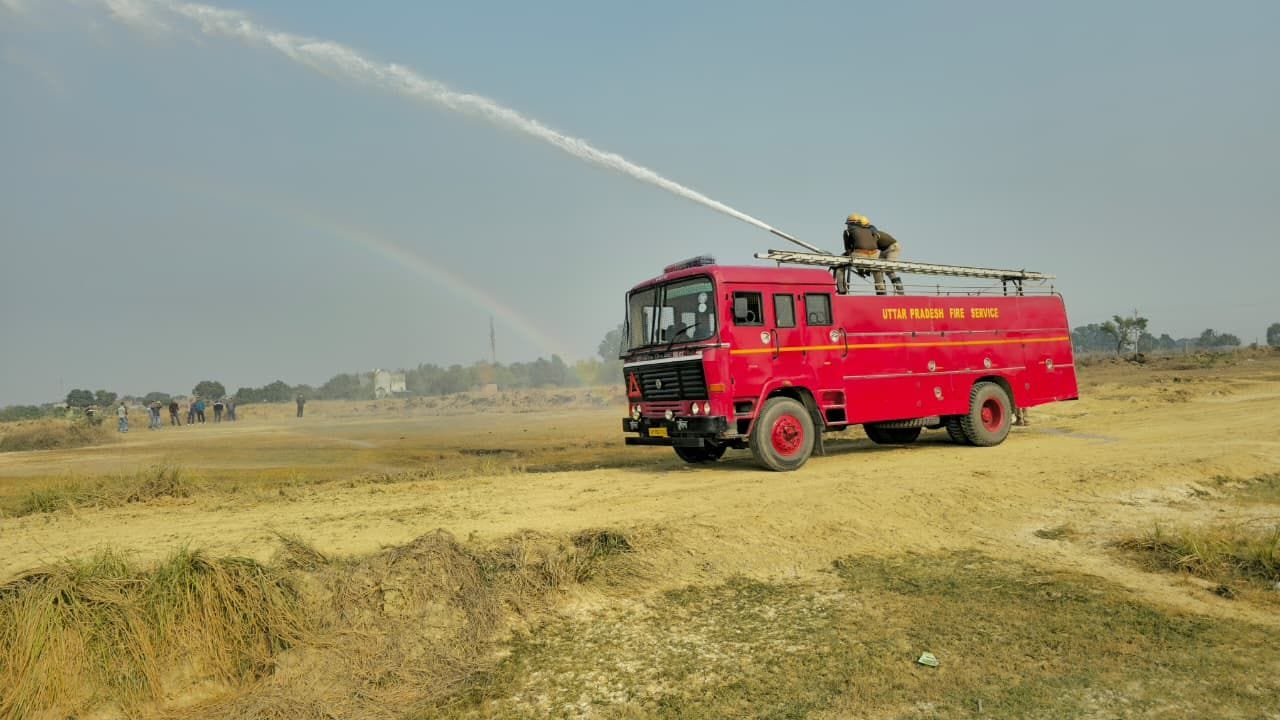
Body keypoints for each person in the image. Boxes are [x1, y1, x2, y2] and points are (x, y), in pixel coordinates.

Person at [841, 213, 904, 295]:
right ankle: (881, 291)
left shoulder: (871, 232)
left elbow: (861, 247)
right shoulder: (871, 230)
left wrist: (862, 268)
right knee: (877, 268)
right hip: (881, 250)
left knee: (888, 269)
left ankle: (899, 291)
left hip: (892, 248)